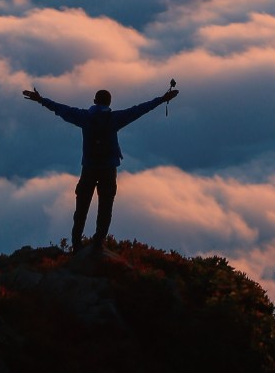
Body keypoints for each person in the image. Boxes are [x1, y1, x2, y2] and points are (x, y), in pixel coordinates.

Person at [23, 84, 178, 252]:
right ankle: (98, 244)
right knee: (105, 207)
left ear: (94, 101)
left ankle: (76, 244)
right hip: (108, 168)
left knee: (81, 207)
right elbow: (139, 110)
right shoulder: (114, 119)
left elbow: (60, 109)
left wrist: (40, 100)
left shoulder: (84, 117)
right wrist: (162, 100)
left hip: (89, 168)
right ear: (109, 103)